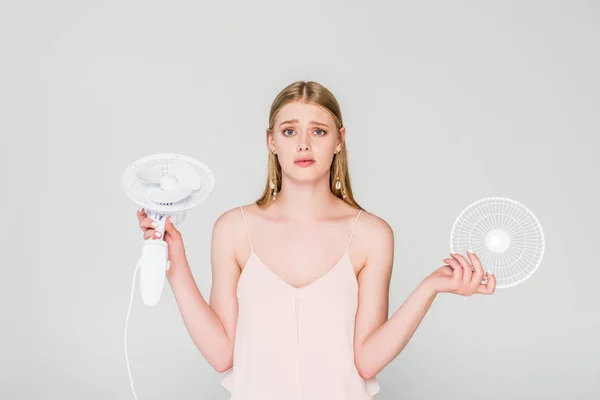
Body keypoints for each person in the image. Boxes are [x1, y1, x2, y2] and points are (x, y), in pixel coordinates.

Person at [135, 81, 497, 399]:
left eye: (319, 132)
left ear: (340, 139)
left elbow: (367, 361)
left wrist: (429, 287)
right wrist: (176, 265)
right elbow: (221, 355)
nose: (304, 144)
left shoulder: (372, 234)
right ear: (271, 141)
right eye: (290, 131)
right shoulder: (233, 228)